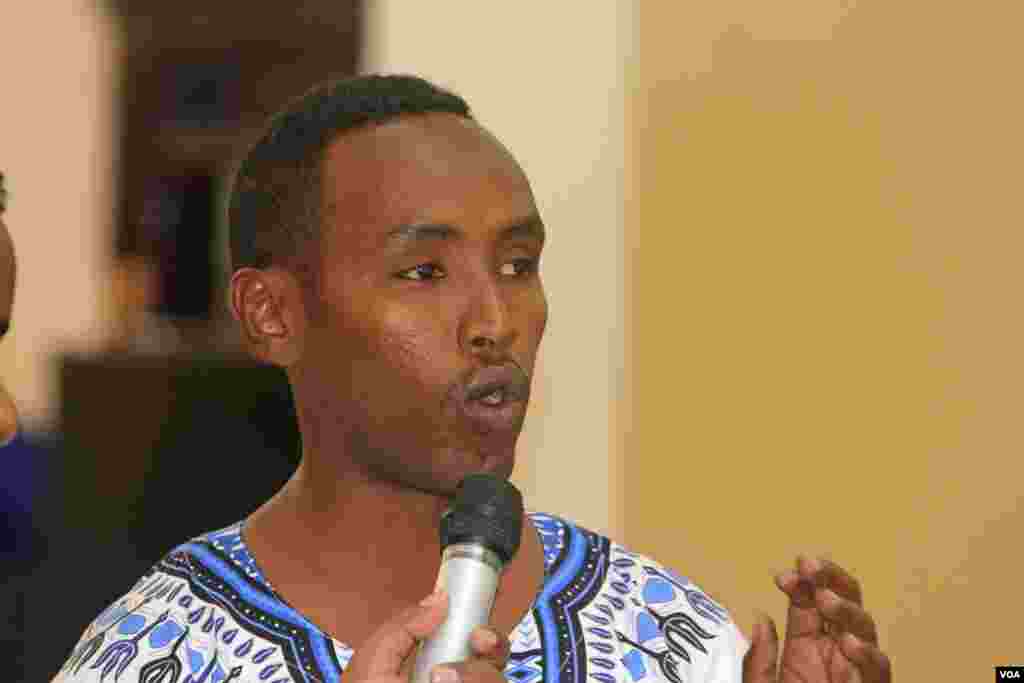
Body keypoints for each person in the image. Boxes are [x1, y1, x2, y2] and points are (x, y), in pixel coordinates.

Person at [53, 75, 891, 683]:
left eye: (518, 264)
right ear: (273, 313)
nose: (496, 319)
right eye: (424, 272)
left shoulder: (674, 641)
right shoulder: (152, 656)